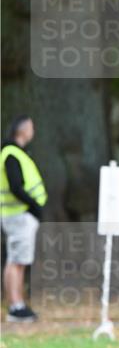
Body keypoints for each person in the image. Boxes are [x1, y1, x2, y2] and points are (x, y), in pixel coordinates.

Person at [1, 116, 47, 323]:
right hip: (19, 215)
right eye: (31, 127)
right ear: (23, 130)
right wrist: (33, 206)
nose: (33, 131)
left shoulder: (15, 153)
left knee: (18, 261)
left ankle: (17, 304)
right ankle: (15, 305)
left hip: (18, 215)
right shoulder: (11, 154)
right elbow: (16, 187)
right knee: (16, 261)